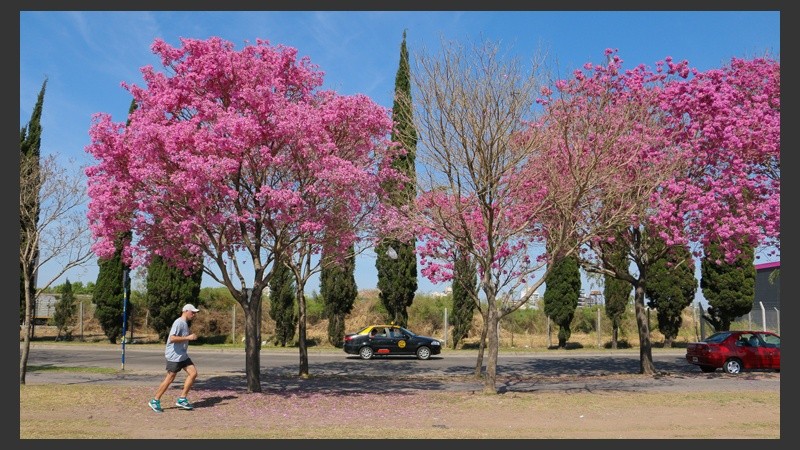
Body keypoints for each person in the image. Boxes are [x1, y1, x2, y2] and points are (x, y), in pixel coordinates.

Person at [148, 304, 200, 412]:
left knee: (193, 373)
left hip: (182, 355)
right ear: (185, 311)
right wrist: (188, 337)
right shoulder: (179, 322)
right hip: (174, 356)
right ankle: (155, 400)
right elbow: (172, 338)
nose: (194, 314)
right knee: (170, 378)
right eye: (192, 312)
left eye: (195, 313)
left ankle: (182, 399)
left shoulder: (185, 323)